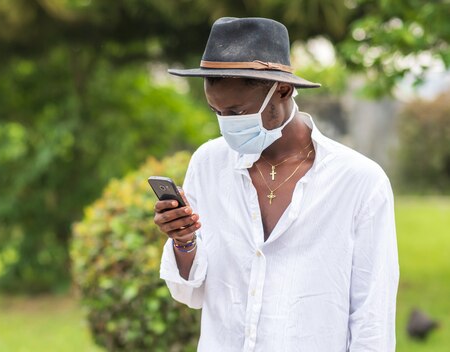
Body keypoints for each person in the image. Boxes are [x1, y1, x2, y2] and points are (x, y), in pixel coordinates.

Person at [154, 17, 399, 351]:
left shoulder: (358, 183)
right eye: (217, 111)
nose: (226, 124)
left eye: (237, 111)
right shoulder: (208, 164)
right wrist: (184, 241)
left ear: (282, 90)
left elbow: (373, 319)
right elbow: (191, 293)